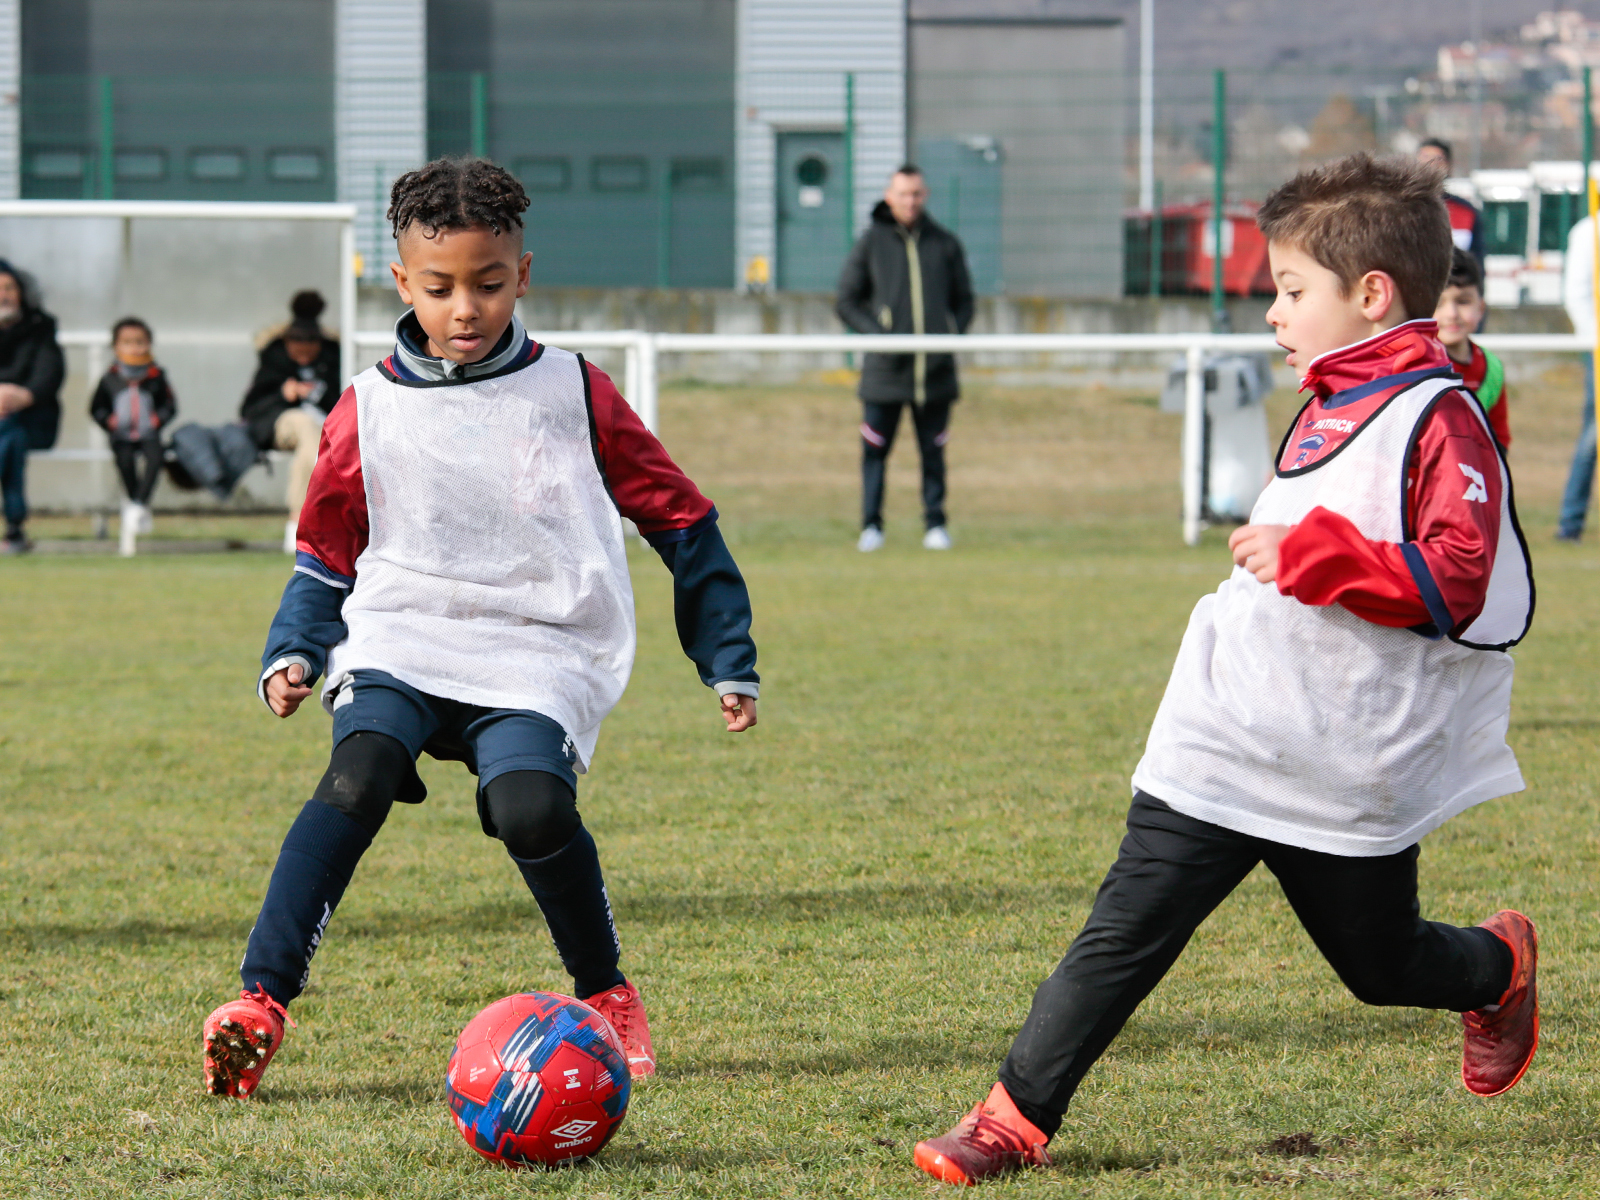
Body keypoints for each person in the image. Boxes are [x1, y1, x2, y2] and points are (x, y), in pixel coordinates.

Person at [913, 154, 1536, 1185]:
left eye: (1291, 291)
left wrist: (1321, 556)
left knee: (1380, 968)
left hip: (1343, 760)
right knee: (1124, 928)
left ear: (1370, 294)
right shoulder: (1328, 397)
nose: (1271, 313)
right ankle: (1009, 1121)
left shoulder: (1441, 415)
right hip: (1225, 728)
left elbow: (1472, 587)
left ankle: (1497, 965)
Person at [200, 157, 761, 1100]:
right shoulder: (366, 406)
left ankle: (608, 995)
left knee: (530, 809)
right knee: (360, 770)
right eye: (440, 288)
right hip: (404, 632)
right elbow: (326, 548)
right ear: (400, 285)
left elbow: (680, 518)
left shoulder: (575, 391)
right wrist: (295, 647)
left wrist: (726, 656)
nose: (465, 307)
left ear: (524, 275)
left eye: (489, 285)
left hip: (539, 644)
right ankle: (260, 1001)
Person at [836, 164, 974, 552]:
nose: (909, 201)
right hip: (884, 374)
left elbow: (965, 302)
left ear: (924, 195)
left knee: (933, 453)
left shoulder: (944, 244)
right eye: (902, 194)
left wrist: (951, 336)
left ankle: (935, 524)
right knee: (875, 452)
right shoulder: (870, 243)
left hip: (935, 374)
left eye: (915, 194)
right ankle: (871, 527)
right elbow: (846, 300)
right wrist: (879, 335)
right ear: (888, 196)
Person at [240, 290, 341, 553]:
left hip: (322, 433)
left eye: (310, 351)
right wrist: (283, 395)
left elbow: (340, 402)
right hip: (282, 426)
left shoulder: (334, 361)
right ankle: (306, 520)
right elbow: (250, 409)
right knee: (304, 424)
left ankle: (300, 522)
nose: (304, 356)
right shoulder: (272, 363)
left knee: (309, 449)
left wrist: (319, 396)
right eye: (297, 350)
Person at [89, 317, 177, 554]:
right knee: (125, 462)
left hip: (149, 434)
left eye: (140, 342)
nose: (134, 348)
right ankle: (135, 502)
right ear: (116, 346)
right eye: (127, 342)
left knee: (155, 459)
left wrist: (158, 420)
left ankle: (139, 504)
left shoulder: (156, 376)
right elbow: (96, 408)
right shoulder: (110, 379)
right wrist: (109, 422)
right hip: (122, 436)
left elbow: (169, 405)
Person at [0, 261, 64, 554]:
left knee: (10, 430)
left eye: (9, 288)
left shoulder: (41, 328)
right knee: (9, 436)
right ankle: (15, 529)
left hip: (34, 419)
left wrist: (16, 396)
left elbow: (48, 375)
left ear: (22, 292)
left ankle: (14, 529)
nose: (3, 296)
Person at [1434, 249, 1510, 450]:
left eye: (1463, 301)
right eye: (1438, 303)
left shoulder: (1492, 368)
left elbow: (1500, 438)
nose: (1451, 314)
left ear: (1481, 308)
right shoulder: (1413, 365)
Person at [1558, 211, 1596, 542]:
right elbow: (1577, 294)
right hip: (1598, 348)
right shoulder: (1588, 231)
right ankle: (1570, 522)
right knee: (1593, 434)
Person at [1417, 139, 1484, 269]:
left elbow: (1477, 262)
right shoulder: (1401, 207)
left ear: (1448, 166)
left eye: (1437, 159)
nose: (1429, 164)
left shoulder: (1466, 212)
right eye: (1425, 157)